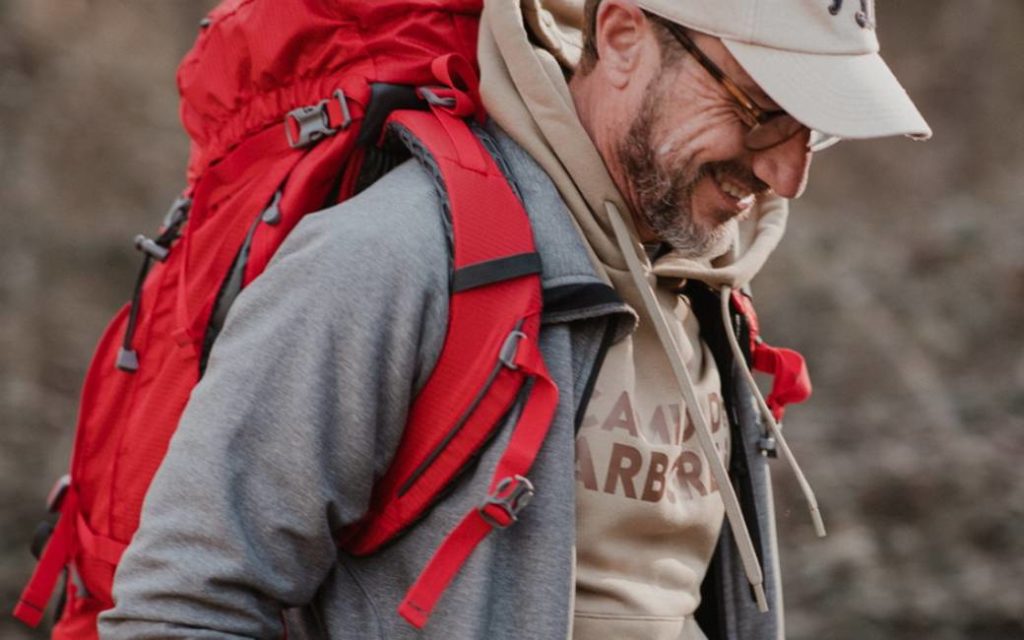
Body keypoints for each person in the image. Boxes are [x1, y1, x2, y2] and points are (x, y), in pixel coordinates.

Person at [99, 0, 930, 638]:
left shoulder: (704, 291)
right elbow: (183, 604)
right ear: (625, 34)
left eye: (812, 132)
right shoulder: (393, 257)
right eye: (761, 107)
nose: (786, 175)